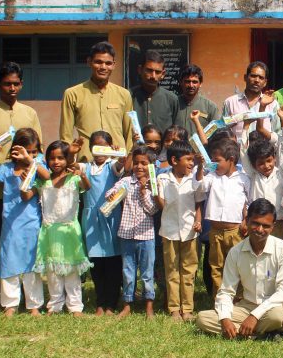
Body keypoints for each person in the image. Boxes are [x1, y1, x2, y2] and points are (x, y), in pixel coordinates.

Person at [0, 62, 43, 311]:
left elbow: (38, 150)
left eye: (16, 83)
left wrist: (27, 169)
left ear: (21, 84)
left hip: (26, 194)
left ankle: (25, 297)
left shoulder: (30, 113)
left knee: (25, 243)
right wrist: (9, 170)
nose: (12, 88)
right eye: (7, 83)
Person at [196, 199, 283, 340]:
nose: (260, 230)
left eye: (265, 226)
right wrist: (225, 319)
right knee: (203, 318)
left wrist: (254, 316)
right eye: (255, 223)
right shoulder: (236, 252)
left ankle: (245, 332)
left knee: (278, 317)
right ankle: (262, 334)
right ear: (247, 221)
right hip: (246, 307)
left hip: (274, 307)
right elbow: (226, 291)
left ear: (273, 226)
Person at [0, 128, 46, 317]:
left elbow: (47, 176)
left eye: (34, 151)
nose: (30, 154)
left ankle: (34, 305)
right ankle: (10, 304)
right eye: (26, 150)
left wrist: (31, 161)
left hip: (32, 221)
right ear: (16, 150)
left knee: (31, 262)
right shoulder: (8, 169)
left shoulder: (37, 164)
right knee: (9, 260)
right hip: (10, 222)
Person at [33, 140, 92, 315]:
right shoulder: (43, 181)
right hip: (50, 231)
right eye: (52, 158)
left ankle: (75, 306)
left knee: (72, 271)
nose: (56, 162)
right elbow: (27, 192)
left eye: (60, 158)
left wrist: (82, 175)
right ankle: (55, 305)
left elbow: (87, 187)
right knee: (53, 271)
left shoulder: (73, 179)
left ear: (67, 159)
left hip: (69, 231)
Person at [154, 141, 205, 321]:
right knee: (172, 270)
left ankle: (188, 309)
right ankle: (174, 308)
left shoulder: (194, 178)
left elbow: (199, 200)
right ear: (174, 160)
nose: (191, 163)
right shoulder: (162, 179)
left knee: (189, 270)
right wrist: (154, 193)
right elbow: (161, 205)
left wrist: (198, 221)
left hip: (189, 231)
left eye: (193, 160)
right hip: (169, 230)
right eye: (188, 160)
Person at [107, 146, 159, 318]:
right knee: (128, 272)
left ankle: (149, 306)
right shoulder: (126, 182)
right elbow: (113, 191)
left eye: (144, 163)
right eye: (136, 163)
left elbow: (152, 210)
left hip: (146, 236)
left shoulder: (153, 184)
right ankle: (127, 304)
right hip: (127, 235)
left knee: (147, 273)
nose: (139, 166)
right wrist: (111, 195)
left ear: (151, 165)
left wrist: (144, 191)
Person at [60, 41, 134, 163]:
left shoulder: (124, 94)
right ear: (89, 62)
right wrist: (69, 161)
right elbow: (65, 135)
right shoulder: (72, 94)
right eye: (98, 62)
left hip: (117, 162)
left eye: (108, 63)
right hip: (87, 163)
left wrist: (128, 161)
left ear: (114, 65)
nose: (103, 67)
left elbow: (129, 133)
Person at [198, 137, 251, 296]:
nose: (213, 164)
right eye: (212, 161)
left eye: (217, 161)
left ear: (231, 160)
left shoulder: (243, 178)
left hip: (235, 232)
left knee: (238, 265)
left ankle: (239, 299)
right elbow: (200, 187)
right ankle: (219, 300)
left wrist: (245, 220)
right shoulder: (212, 176)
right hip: (215, 231)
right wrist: (201, 167)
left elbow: (248, 202)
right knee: (217, 267)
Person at [81, 131, 125, 315]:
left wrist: (118, 155)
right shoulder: (86, 167)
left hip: (111, 216)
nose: (99, 152)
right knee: (96, 262)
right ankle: (100, 301)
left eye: (103, 147)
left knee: (113, 261)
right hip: (91, 219)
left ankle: (111, 303)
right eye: (95, 147)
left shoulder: (111, 165)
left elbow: (122, 165)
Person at [223, 61, 278, 140]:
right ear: (245, 77)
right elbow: (223, 132)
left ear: (265, 82)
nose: (257, 80)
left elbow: (278, 135)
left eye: (261, 78)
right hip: (236, 151)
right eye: (253, 76)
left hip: (264, 151)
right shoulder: (230, 102)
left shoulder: (272, 104)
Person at [130, 50, 179, 134]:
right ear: (140, 70)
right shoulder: (129, 96)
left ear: (163, 74)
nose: (153, 76)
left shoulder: (171, 99)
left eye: (157, 72)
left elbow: (176, 131)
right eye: (149, 70)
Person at [173, 64, 222, 131]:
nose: (191, 85)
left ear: (200, 83)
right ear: (181, 82)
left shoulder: (210, 107)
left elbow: (216, 132)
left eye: (195, 82)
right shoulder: (172, 104)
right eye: (187, 81)